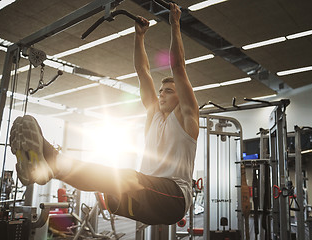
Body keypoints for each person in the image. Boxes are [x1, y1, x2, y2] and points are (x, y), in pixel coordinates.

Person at [10, 3, 199, 225]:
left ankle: (52, 160)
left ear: (181, 98)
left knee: (127, 177)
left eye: (168, 91)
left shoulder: (187, 120)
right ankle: (48, 167)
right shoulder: (154, 115)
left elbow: (178, 69)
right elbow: (143, 72)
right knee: (114, 183)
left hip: (174, 199)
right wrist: (139, 37)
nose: (161, 95)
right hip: (144, 196)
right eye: (160, 91)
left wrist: (175, 24)